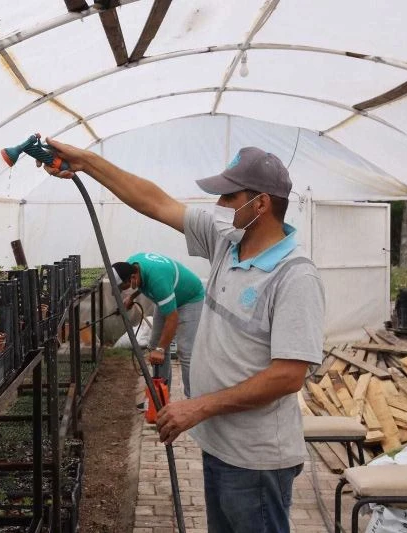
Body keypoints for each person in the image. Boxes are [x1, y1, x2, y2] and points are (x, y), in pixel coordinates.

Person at [39, 141, 325, 533]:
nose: (219, 204)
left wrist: (198, 407)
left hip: (255, 462)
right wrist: (87, 162)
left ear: (260, 204)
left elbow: (288, 376)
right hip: (219, 446)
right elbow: (153, 202)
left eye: (228, 196)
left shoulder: (295, 276)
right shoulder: (227, 244)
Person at [112, 253, 204, 398]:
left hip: (190, 298)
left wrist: (160, 350)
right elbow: (143, 282)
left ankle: (193, 399)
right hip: (168, 295)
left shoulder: (158, 281)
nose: (124, 290)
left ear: (133, 277)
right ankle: (162, 397)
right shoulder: (130, 265)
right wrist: (132, 296)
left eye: (124, 287)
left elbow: (172, 318)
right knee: (155, 346)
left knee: (185, 352)